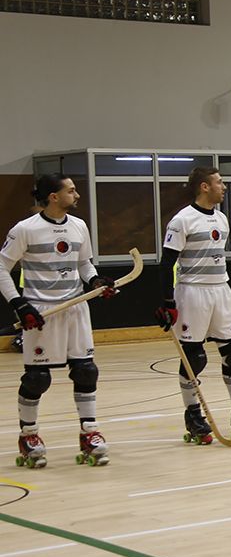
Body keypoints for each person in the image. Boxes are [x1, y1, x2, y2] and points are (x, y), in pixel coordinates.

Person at [1, 174, 121, 468]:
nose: (77, 195)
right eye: (71, 190)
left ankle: (89, 433)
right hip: (42, 313)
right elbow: (2, 267)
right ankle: (29, 436)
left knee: (86, 371)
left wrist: (95, 281)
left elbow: (83, 263)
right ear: (53, 196)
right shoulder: (25, 229)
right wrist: (18, 304)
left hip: (75, 308)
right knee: (37, 378)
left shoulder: (79, 225)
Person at [156, 165, 231, 444]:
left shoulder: (222, 219)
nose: (224, 187)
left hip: (221, 289)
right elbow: (166, 264)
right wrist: (166, 300)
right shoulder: (182, 220)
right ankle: (193, 415)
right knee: (194, 358)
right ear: (204, 186)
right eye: (219, 182)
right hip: (193, 292)